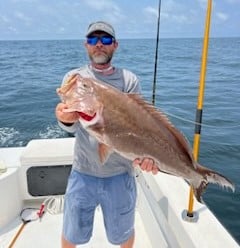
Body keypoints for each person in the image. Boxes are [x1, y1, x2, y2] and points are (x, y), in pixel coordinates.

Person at [55, 21, 158, 248]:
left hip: (121, 174)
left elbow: (141, 128)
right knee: (72, 234)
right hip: (83, 172)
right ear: (86, 45)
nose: (99, 44)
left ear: (115, 45)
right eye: (93, 40)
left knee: (123, 235)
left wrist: (148, 156)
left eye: (106, 40)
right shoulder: (74, 78)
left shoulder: (128, 81)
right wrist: (64, 117)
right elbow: (70, 126)